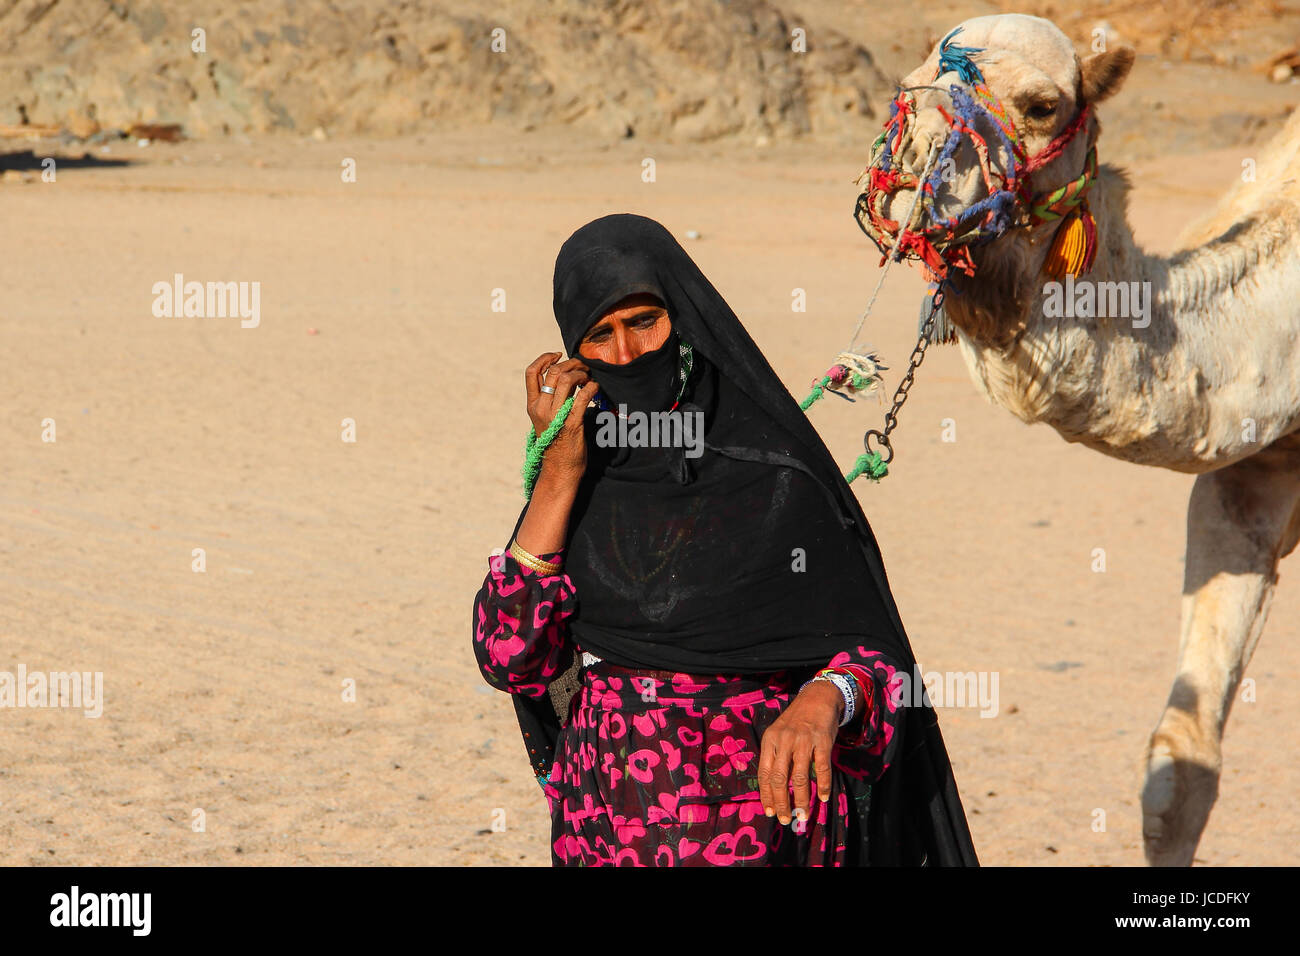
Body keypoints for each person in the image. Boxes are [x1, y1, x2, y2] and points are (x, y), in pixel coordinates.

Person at [471, 213, 978, 866]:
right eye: (601, 335)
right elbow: (508, 655)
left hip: (771, 824)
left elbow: (878, 659)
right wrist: (558, 477)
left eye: (644, 321)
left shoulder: (773, 471)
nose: (627, 353)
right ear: (577, 352)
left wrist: (827, 696)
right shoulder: (583, 477)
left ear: (681, 318)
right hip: (609, 819)